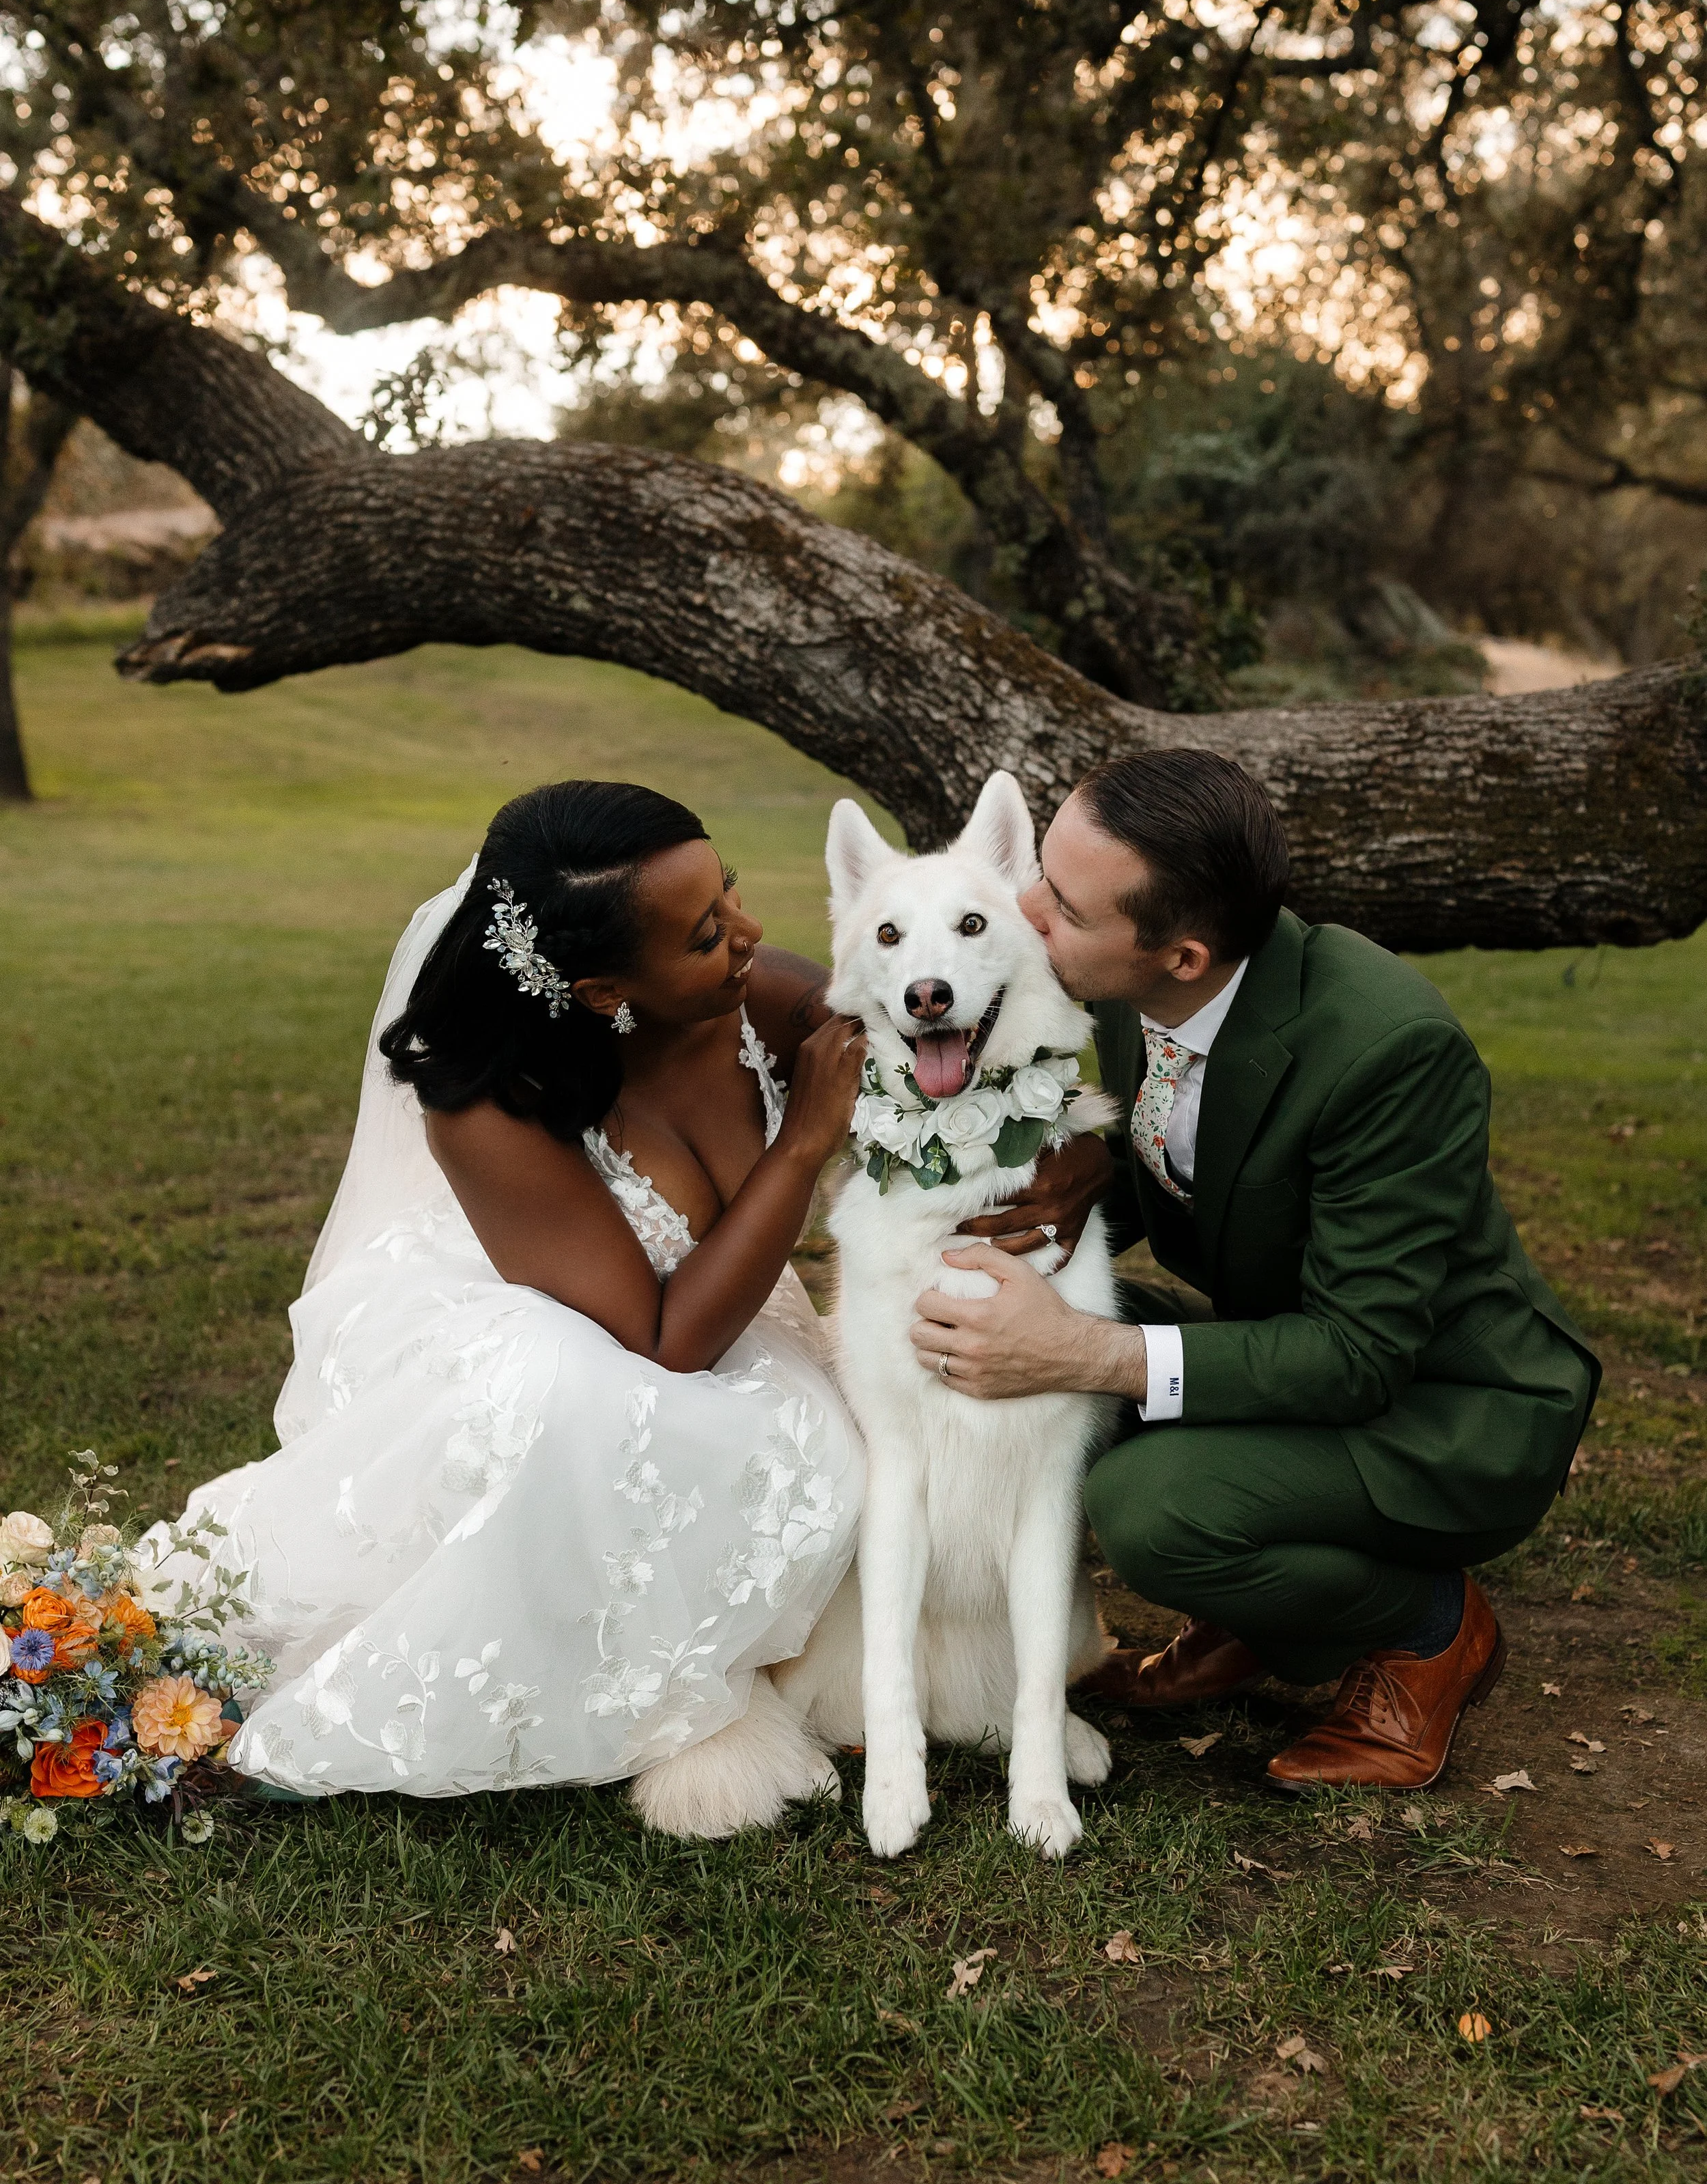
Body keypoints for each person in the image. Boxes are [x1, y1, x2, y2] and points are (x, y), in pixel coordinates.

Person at [141, 781, 867, 1825]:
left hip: (715, 1316)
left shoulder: (740, 992)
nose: (751, 936)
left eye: (734, 894)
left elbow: (901, 1024)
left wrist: (1058, 1150)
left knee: (819, 1450)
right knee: (564, 1395)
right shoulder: (481, 1104)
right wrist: (804, 1143)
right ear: (601, 988)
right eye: (708, 933)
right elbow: (666, 1344)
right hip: (594, 1322)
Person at [908, 751, 1599, 1793]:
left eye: (1065, 905)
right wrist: (1085, 1186)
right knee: (1015, 1341)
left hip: (1444, 1406)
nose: (1026, 906)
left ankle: (1428, 1630)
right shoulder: (1120, 972)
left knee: (1153, 1507)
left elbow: (1360, 1356)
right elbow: (1214, 1160)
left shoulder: (1389, 1050)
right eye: (1043, 871)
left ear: (1181, 956)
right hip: (1302, 1341)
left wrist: (1088, 1351)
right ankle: (1255, 1618)